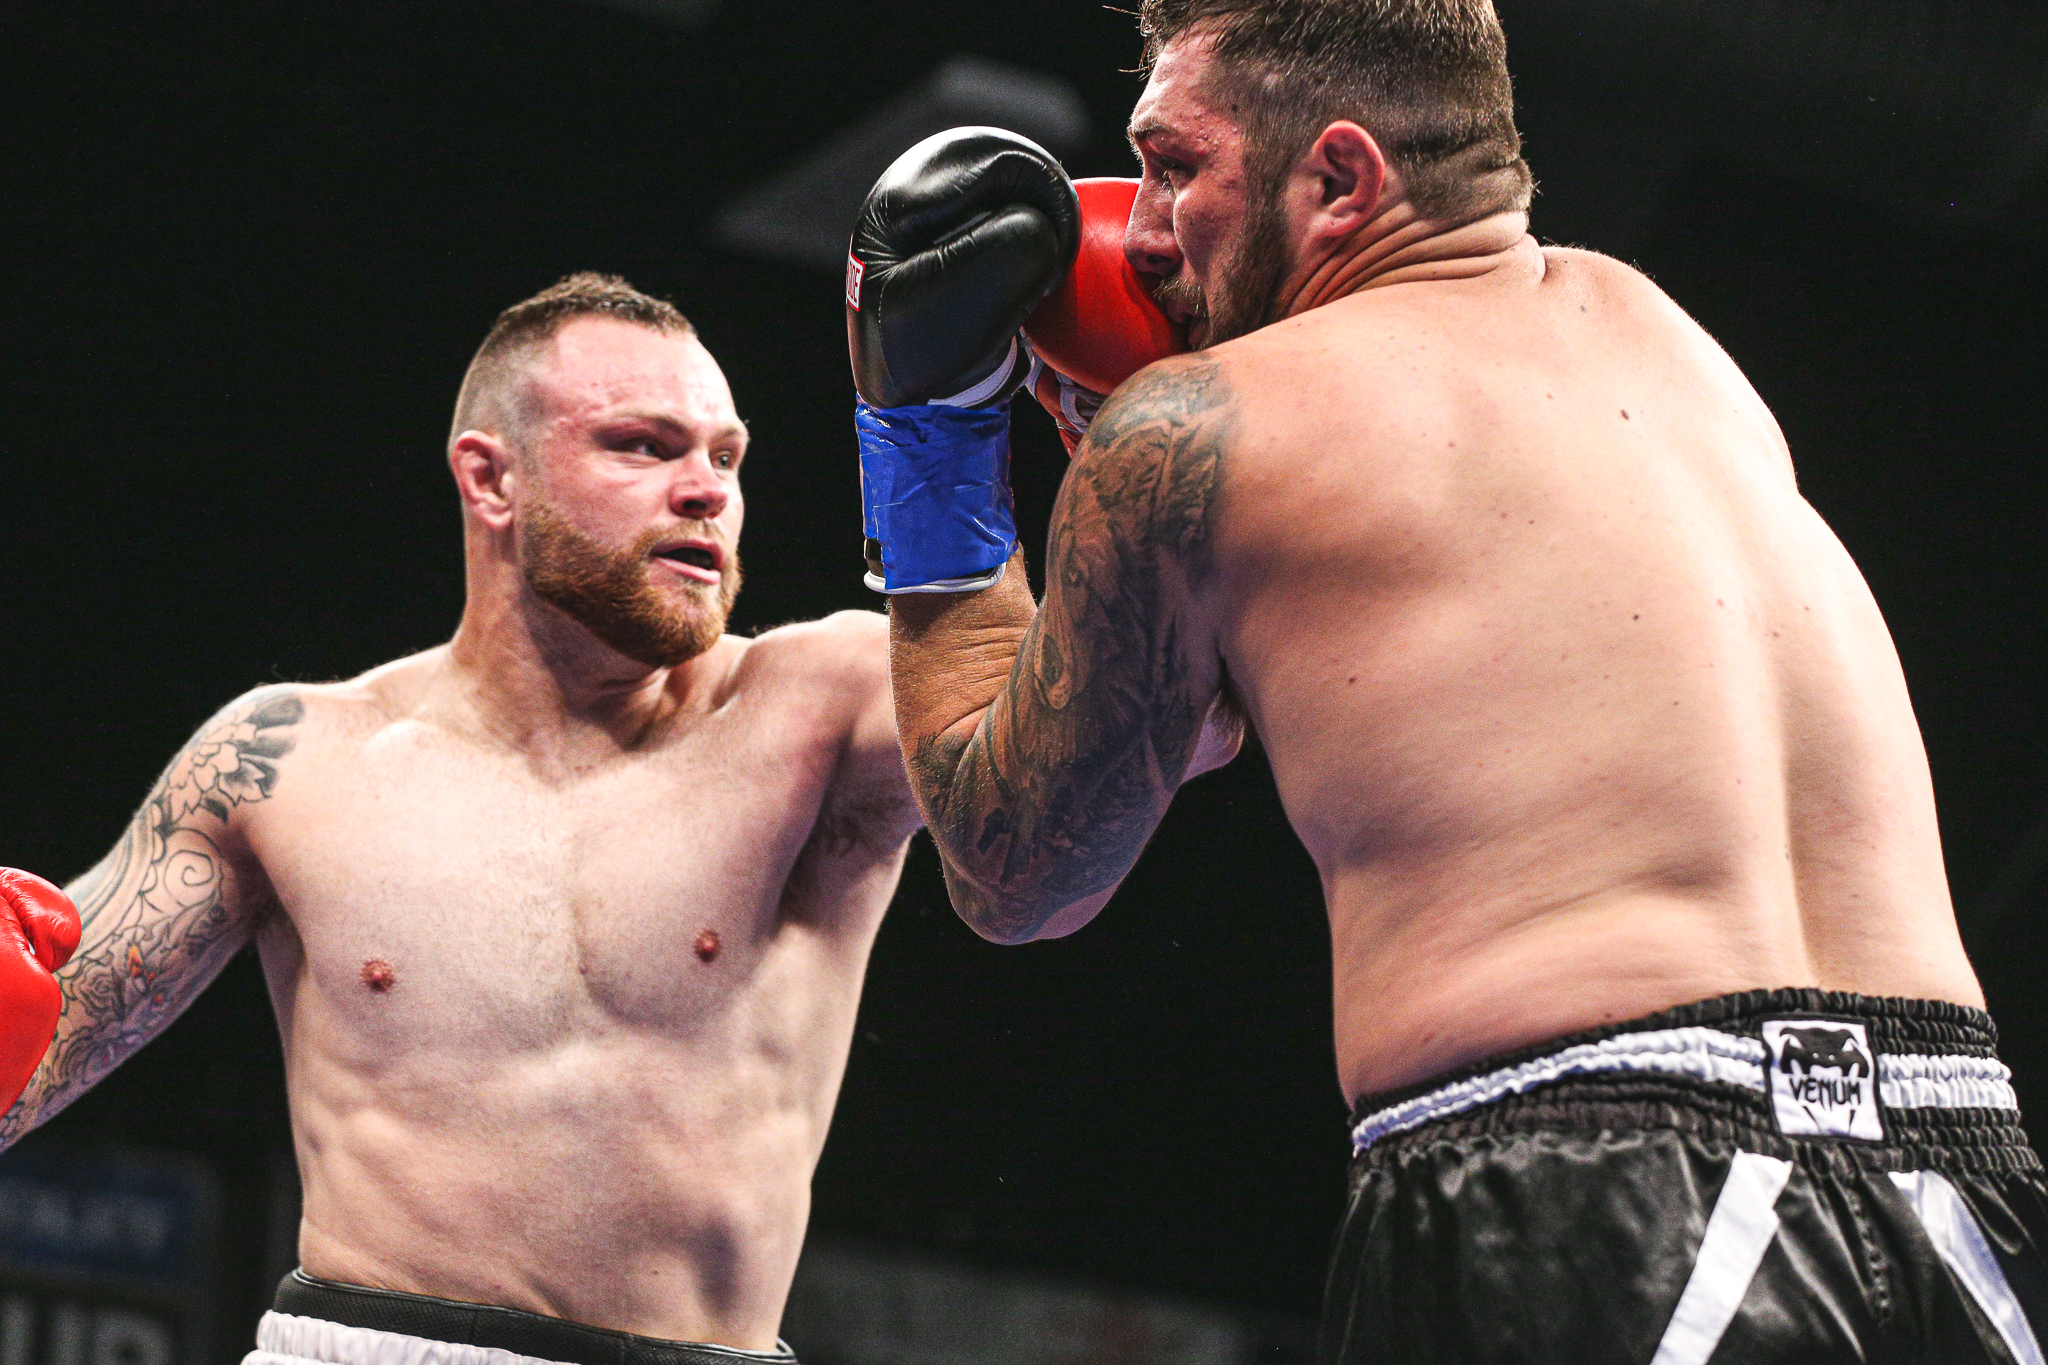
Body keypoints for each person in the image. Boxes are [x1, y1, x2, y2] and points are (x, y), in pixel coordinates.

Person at [843, 1, 2048, 1361]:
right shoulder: (1666, 342)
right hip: (1956, 1170)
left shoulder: (1193, 428)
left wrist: (924, 439)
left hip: (1598, 1189)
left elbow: (1022, 869)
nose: (1148, 232)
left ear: (1341, 178)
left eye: (1176, 167)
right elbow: (1230, 720)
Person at [1, 273, 921, 1365]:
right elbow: (36, 1046)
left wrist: (1112, 431)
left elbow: (1140, 726)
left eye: (725, 457)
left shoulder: (825, 705)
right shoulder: (286, 760)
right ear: (491, 480)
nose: (704, 491)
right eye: (644, 446)